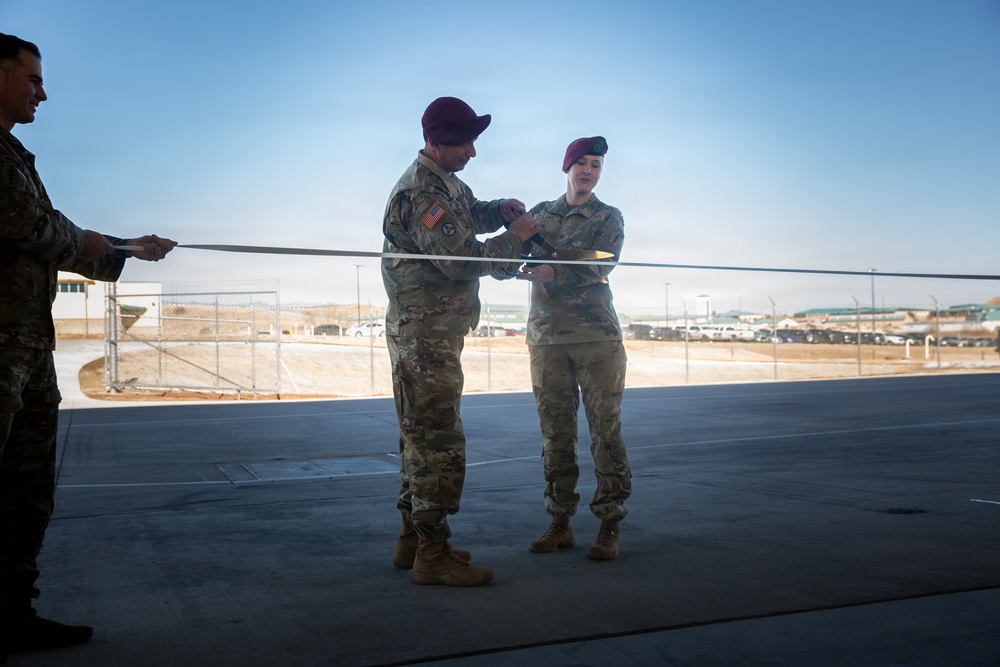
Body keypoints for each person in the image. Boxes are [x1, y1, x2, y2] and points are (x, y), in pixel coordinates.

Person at [0, 33, 177, 655]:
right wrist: (102, 244)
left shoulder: (15, 154)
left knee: (25, 486)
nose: (43, 92)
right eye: (32, 79)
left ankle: (10, 611)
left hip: (25, 348)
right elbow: (35, 228)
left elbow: (50, 238)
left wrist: (126, 248)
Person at [381, 96, 540, 586]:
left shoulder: (444, 183)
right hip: (424, 336)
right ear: (435, 142)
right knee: (437, 440)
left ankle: (414, 538)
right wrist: (517, 236)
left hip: (431, 332)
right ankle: (433, 553)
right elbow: (462, 260)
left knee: (418, 436)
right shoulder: (422, 194)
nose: (472, 151)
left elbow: (469, 213)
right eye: (464, 143)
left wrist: (498, 210)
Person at [518, 136, 631, 560]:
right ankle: (559, 520)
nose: (588, 170)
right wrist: (510, 240)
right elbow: (517, 252)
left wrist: (553, 273)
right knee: (556, 435)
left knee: (605, 432)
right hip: (546, 339)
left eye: (596, 165)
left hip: (596, 338)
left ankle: (609, 524)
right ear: (567, 167)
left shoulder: (607, 216)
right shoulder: (541, 215)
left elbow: (601, 263)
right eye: (581, 163)